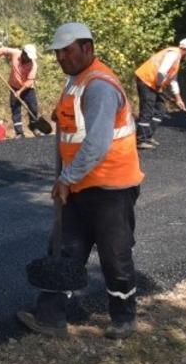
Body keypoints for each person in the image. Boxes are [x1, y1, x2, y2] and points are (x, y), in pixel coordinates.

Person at [17, 22, 144, 340]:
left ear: (87, 48)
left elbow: (98, 144)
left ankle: (124, 318)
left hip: (110, 186)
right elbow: (71, 129)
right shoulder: (77, 80)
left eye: (68, 50)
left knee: (115, 254)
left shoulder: (99, 85)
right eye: (57, 52)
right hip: (79, 185)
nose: (61, 57)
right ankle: (50, 317)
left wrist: (66, 177)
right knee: (63, 249)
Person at [133, 38, 186, 149]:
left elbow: (173, 80)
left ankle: (148, 136)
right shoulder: (173, 54)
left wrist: (178, 99)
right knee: (147, 110)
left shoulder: (177, 59)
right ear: (185, 49)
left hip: (153, 83)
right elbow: (161, 71)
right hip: (146, 80)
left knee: (160, 109)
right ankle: (140, 140)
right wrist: (159, 85)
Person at [0, 43, 40, 137]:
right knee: (15, 109)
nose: (29, 59)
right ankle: (19, 133)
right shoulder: (16, 53)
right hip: (13, 86)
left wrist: (20, 91)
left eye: (31, 57)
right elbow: (2, 50)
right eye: (28, 56)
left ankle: (34, 127)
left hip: (27, 88)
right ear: (23, 53)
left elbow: (29, 82)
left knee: (33, 108)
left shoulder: (33, 65)